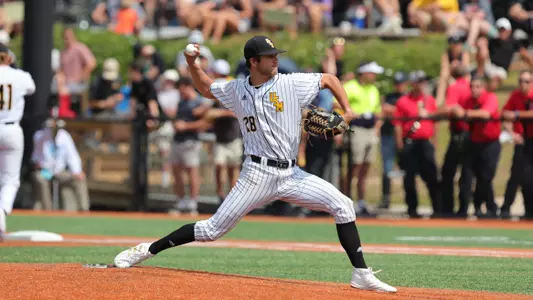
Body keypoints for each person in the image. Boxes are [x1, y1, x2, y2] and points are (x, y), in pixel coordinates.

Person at [113, 36, 397, 293]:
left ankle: (361, 273)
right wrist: (191, 62)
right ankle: (146, 250)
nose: (275, 59)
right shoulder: (237, 89)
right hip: (257, 174)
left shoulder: (290, 83)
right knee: (211, 230)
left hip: (291, 173)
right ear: (253, 61)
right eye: (269, 56)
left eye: (275, 54)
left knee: (344, 205)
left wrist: (347, 111)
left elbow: (330, 79)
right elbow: (205, 87)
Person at [450, 75, 500, 218]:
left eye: (477, 86)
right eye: (472, 86)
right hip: (473, 142)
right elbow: (455, 110)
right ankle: (464, 208)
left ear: (483, 87)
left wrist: (464, 113)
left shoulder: (490, 97)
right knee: (466, 176)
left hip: (490, 143)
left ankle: (490, 207)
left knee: (485, 177)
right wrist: (455, 110)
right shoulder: (468, 101)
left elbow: (485, 114)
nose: (474, 89)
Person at [0, 43, 36, 240]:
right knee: (10, 180)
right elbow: (31, 88)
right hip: (11, 128)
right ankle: (1, 212)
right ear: (7, 57)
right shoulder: (20, 76)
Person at [393, 71, 440, 218]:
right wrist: (400, 144)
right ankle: (412, 209)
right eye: (418, 82)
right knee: (409, 177)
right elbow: (398, 124)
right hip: (410, 143)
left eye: (423, 82)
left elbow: (435, 122)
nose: (421, 85)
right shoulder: (403, 101)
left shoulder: (430, 101)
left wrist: (434, 141)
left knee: (431, 175)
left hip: (425, 143)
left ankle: (437, 208)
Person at [342, 61, 384, 216]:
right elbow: (337, 105)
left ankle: (361, 202)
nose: (374, 76)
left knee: (366, 167)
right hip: (356, 129)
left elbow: (378, 110)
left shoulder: (373, 89)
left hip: (370, 129)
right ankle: (346, 200)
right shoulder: (351, 87)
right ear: (364, 73)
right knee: (354, 166)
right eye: (371, 73)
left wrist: (377, 127)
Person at [168, 77, 211, 214]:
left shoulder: (198, 102)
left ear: (187, 86)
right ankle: (180, 202)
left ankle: (192, 203)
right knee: (176, 171)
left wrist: (186, 126)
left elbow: (205, 124)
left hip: (191, 141)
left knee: (192, 172)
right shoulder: (182, 102)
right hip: (177, 140)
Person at [31, 119, 90, 212]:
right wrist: (41, 166)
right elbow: (37, 156)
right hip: (46, 171)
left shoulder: (65, 136)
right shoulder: (40, 136)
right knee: (40, 179)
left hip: (60, 171)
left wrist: (77, 171)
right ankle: (47, 210)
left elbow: (72, 155)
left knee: (79, 179)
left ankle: (84, 209)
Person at [437, 65, 473, 218]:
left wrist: (433, 112)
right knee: (466, 172)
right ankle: (464, 207)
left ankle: (448, 208)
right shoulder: (470, 86)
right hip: (471, 133)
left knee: (449, 172)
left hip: (460, 133)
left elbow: (449, 108)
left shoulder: (455, 87)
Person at [501, 70, 533, 219]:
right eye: (521, 81)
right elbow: (504, 113)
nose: (523, 84)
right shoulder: (516, 95)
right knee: (519, 176)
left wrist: (517, 114)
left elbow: (515, 114)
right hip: (523, 141)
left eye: (527, 81)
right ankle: (507, 208)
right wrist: (512, 133)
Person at [378, 71, 409, 210]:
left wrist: (395, 110)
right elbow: (384, 109)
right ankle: (386, 199)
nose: (399, 86)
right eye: (397, 83)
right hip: (388, 135)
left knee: (407, 168)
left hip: (405, 136)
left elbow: (406, 111)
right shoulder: (390, 97)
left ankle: (410, 199)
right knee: (387, 168)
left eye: (401, 83)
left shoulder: (408, 97)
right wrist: (398, 110)